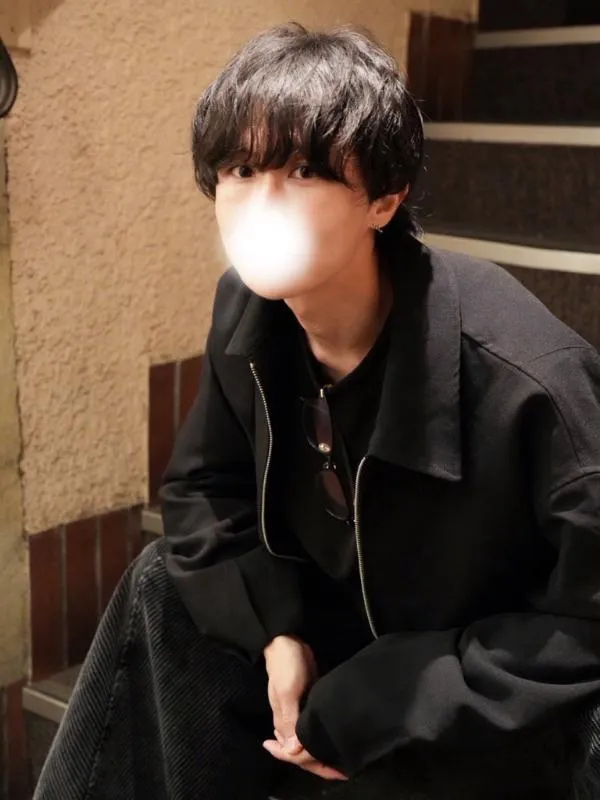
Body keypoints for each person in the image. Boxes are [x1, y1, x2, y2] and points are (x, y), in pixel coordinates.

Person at [34, 21, 600, 800]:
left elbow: (584, 621)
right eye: (240, 169)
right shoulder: (249, 309)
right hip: (331, 641)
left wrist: (397, 693)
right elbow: (203, 491)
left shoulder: (528, 376)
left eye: (303, 171)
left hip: (467, 683)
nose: (260, 205)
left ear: (385, 199)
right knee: (159, 582)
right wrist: (276, 632)